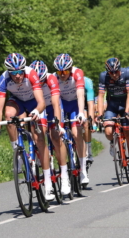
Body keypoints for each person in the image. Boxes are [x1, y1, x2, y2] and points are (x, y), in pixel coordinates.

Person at [0, 53, 54, 201]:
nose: (18, 76)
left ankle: (49, 184)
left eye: (20, 72)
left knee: (40, 139)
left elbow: (42, 102)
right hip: (18, 101)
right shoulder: (4, 78)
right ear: (9, 72)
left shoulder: (31, 74)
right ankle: (17, 154)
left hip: (34, 103)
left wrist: (37, 112)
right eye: (14, 73)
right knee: (8, 115)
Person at [30, 60, 71, 196]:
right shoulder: (29, 81)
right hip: (39, 108)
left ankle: (64, 176)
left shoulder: (51, 78)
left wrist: (58, 125)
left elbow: (55, 104)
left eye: (42, 81)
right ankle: (44, 164)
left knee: (55, 135)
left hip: (53, 107)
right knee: (39, 136)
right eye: (37, 82)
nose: (40, 84)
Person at [95, 58, 129, 175]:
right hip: (112, 105)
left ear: (120, 69)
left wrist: (127, 111)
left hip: (125, 105)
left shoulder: (127, 73)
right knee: (108, 130)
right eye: (111, 73)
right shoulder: (103, 76)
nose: (114, 75)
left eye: (116, 72)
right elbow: (101, 95)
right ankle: (112, 143)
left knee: (128, 131)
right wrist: (99, 114)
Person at [53, 53, 89, 184]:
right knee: (58, 132)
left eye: (66, 71)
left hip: (74, 104)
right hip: (62, 105)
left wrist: (81, 112)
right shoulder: (54, 78)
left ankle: (83, 169)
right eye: (59, 71)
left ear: (71, 68)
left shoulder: (77, 73)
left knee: (76, 133)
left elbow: (80, 94)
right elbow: (55, 101)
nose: (62, 74)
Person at [83, 76, 96, 165]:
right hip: (72, 103)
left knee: (86, 123)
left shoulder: (87, 82)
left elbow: (91, 105)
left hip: (85, 103)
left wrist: (92, 122)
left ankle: (88, 150)